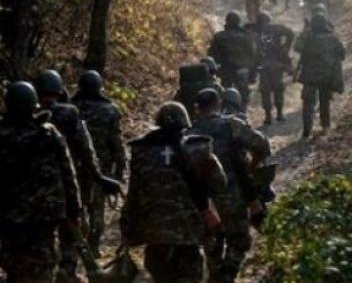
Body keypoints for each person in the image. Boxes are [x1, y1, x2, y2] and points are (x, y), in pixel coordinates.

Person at [121, 102, 226, 283]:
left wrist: (127, 227)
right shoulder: (198, 148)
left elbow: (133, 194)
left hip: (155, 233)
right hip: (189, 232)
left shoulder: (141, 151)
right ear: (185, 122)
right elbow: (219, 183)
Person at [35, 69, 122, 282]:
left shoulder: (24, 116)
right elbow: (87, 148)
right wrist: (101, 176)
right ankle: (69, 269)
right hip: (70, 179)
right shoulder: (70, 113)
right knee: (73, 224)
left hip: (32, 188)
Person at [0, 82, 82, 283]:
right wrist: (74, 211)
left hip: (9, 216)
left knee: (14, 264)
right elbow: (68, 174)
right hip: (44, 216)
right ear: (34, 106)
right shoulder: (48, 134)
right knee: (42, 266)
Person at [190, 89, 271, 283]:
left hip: (202, 201)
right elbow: (262, 145)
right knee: (239, 240)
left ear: (196, 109)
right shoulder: (232, 125)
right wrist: (252, 166)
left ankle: (215, 274)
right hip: (233, 194)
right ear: (218, 103)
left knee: (212, 243)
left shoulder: (188, 133)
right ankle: (227, 275)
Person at [71, 70, 127, 256]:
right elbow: (116, 143)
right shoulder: (109, 110)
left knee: (77, 206)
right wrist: (119, 171)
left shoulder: (71, 109)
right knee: (97, 209)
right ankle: (93, 246)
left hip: (74, 166)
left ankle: (77, 246)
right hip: (100, 168)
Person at [294, 14, 346, 138]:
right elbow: (342, 53)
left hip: (310, 76)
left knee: (308, 103)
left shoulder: (308, 38)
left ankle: (307, 129)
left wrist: (305, 31)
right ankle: (325, 127)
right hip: (327, 76)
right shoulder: (333, 38)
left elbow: (297, 47)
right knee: (324, 102)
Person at [208, 11, 256, 115]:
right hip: (242, 70)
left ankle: (226, 114)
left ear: (227, 21)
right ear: (238, 22)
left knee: (226, 93)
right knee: (243, 93)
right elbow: (252, 55)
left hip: (226, 70)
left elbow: (212, 55)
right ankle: (242, 114)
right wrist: (252, 73)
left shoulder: (219, 36)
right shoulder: (246, 36)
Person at [255, 11, 294, 125]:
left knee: (265, 91)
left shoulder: (255, 31)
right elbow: (290, 33)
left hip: (263, 66)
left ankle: (268, 117)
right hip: (277, 65)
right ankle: (279, 114)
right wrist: (286, 47)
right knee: (278, 89)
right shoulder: (276, 28)